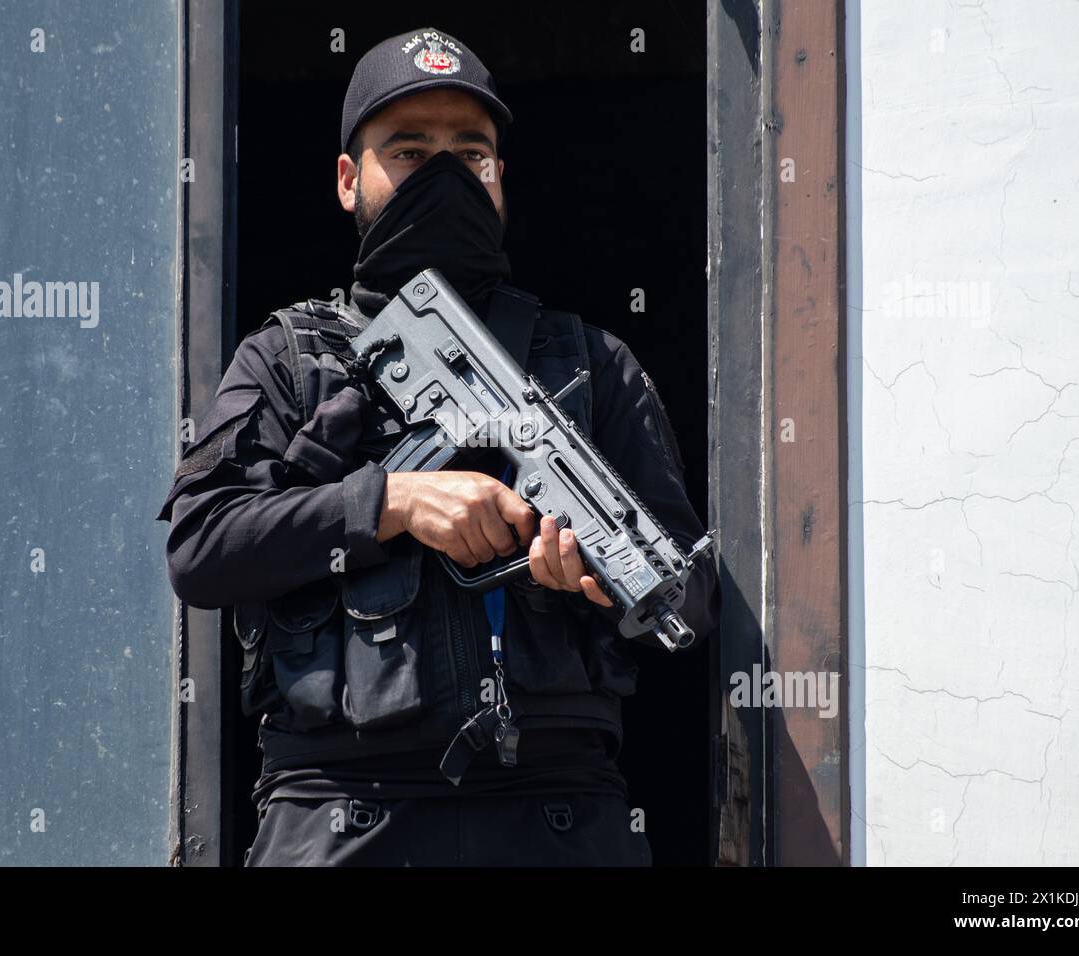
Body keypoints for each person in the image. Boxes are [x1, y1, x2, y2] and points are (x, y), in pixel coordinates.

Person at [156, 26, 717, 866]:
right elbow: (201, 548)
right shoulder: (285, 359)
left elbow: (690, 600)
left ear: (502, 177)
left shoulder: (591, 363)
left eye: (472, 152)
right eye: (412, 153)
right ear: (349, 181)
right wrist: (391, 502)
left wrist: (597, 581)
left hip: (555, 809)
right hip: (338, 808)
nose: (449, 174)